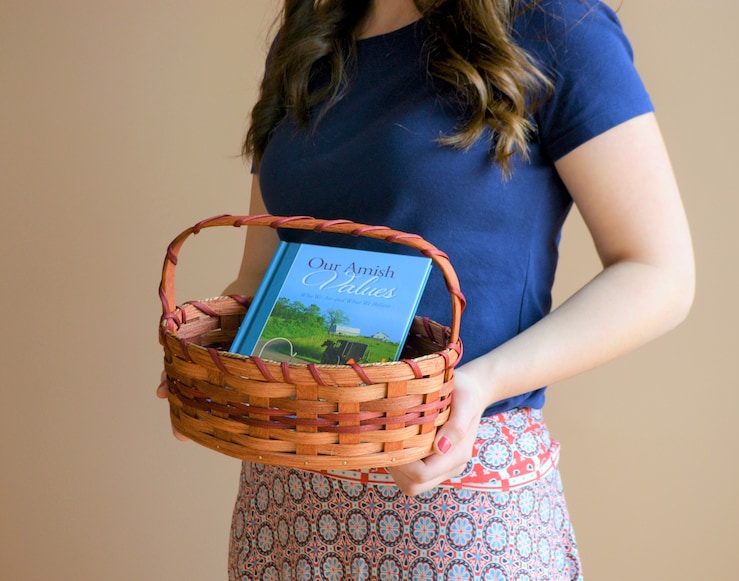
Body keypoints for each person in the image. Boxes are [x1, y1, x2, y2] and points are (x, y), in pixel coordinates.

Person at [158, 0, 695, 578]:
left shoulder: (557, 24)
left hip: (453, 494)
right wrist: (210, 361)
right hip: (286, 498)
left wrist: (479, 385)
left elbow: (657, 271)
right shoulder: (309, 37)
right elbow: (261, 272)